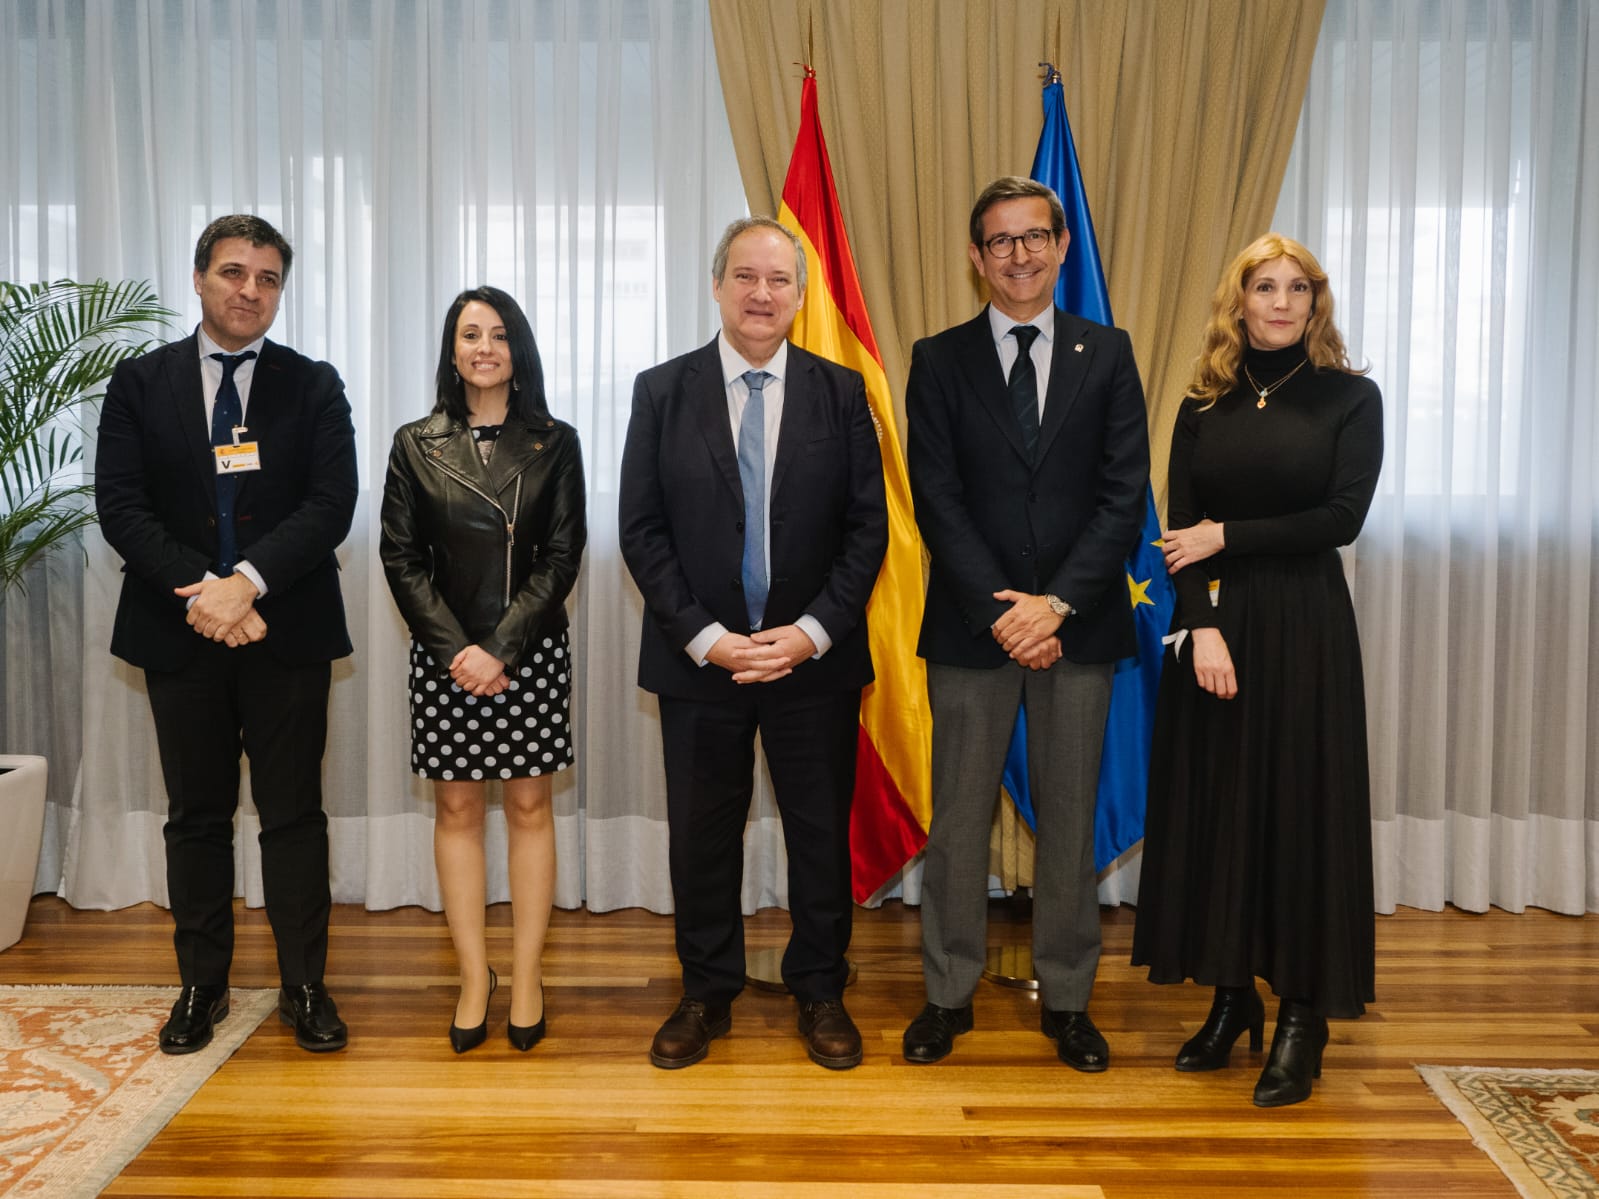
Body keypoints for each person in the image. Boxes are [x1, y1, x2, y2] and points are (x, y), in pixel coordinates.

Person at [619, 216, 888, 1071]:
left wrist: (808, 635)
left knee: (817, 834)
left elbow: (867, 531)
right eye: (745, 276)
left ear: (800, 295)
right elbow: (640, 530)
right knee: (701, 836)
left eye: (778, 279)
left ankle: (820, 989)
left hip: (813, 663)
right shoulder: (662, 391)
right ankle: (705, 991)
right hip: (702, 663)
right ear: (716, 285)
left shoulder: (841, 391)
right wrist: (708, 638)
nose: (761, 293)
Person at [1131, 233, 1383, 1108]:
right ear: (1236, 301)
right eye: (1263, 286)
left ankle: (1301, 1017)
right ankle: (1230, 994)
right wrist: (1200, 630)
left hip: (1306, 626)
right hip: (1215, 631)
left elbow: (1341, 518)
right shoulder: (1202, 402)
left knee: (1299, 812)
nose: (1280, 302)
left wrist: (1226, 537)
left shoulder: (1350, 397)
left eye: (1296, 287)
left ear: (1315, 301)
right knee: (1221, 811)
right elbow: (1177, 534)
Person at [95, 214, 358, 1054]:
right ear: (199, 278)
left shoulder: (314, 385)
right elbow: (121, 506)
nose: (250, 290)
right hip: (179, 632)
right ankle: (201, 986)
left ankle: (304, 984)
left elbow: (331, 504)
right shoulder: (140, 383)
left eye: (268, 277)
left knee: (294, 815)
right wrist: (205, 594)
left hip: (286, 628)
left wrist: (245, 583)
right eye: (234, 272)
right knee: (197, 817)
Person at [903, 177, 1149, 1070]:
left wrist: (1056, 604)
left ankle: (1070, 1000)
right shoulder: (938, 359)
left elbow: (1123, 493)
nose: (1019, 254)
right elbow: (936, 497)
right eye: (1000, 241)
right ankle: (946, 994)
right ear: (976, 256)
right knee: (958, 821)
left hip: (1077, 627)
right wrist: (1005, 612)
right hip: (973, 628)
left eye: (1034, 236)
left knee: (1070, 820)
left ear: (1060, 245)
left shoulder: (1107, 352)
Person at [380, 287, 586, 1054]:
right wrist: (457, 650)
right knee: (458, 810)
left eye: (498, 334)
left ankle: (526, 974)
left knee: (530, 808)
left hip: (528, 650)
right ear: (452, 349)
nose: (484, 347)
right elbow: (400, 557)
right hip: (445, 656)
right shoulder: (415, 443)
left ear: (517, 348)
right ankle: (475, 975)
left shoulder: (555, 442)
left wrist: (500, 646)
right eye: (470, 334)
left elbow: (561, 555)